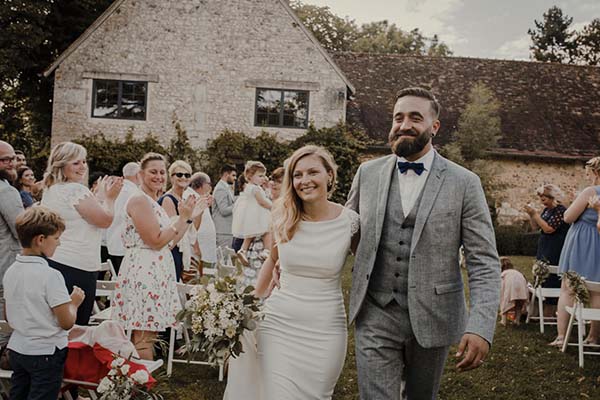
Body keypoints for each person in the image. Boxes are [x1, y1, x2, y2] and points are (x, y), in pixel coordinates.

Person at [346, 87, 501, 399]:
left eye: (415, 118)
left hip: (435, 314)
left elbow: (483, 261)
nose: (404, 125)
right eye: (398, 117)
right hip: (375, 311)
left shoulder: (465, 183)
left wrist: (480, 326)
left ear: (435, 126)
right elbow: (344, 231)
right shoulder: (367, 173)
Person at [245, 145, 358, 399]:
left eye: (312, 172)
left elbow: (368, 270)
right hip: (278, 324)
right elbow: (272, 260)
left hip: (326, 328)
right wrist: (249, 306)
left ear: (330, 175)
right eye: (297, 175)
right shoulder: (283, 217)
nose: (304, 180)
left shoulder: (350, 222)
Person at [112, 153, 197, 360]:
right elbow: (155, 240)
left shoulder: (152, 202)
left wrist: (187, 219)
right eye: (153, 172)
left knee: (147, 336)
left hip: (156, 270)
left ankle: (137, 377)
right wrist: (182, 219)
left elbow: (170, 242)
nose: (159, 176)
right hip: (144, 272)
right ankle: (142, 379)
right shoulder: (139, 200)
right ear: (141, 175)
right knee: (143, 338)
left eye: (161, 172)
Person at [4, 206, 85, 400]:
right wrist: (74, 303)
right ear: (40, 239)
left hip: (18, 348)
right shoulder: (51, 275)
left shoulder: (11, 271)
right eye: (56, 238)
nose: (59, 243)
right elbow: (66, 322)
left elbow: (7, 315)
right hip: (46, 351)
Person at [41, 141, 122, 327]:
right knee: (76, 325)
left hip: (56, 260)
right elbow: (104, 220)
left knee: (56, 322)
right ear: (61, 165)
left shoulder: (52, 189)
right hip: (77, 265)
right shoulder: (75, 190)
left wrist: (98, 196)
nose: (82, 167)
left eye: (84, 161)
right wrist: (110, 198)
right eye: (76, 162)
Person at [553, 156, 600, 347]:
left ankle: (561, 336)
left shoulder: (590, 191)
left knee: (568, 288)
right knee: (597, 291)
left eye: (588, 174)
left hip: (582, 243)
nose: (587, 177)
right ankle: (593, 337)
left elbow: (568, 216)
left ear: (596, 173)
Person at [524, 184, 569, 314]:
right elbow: (536, 227)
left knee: (551, 277)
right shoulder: (546, 210)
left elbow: (549, 228)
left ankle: (551, 309)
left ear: (553, 197)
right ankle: (540, 308)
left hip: (555, 247)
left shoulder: (560, 210)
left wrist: (535, 214)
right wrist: (532, 215)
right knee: (541, 274)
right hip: (544, 246)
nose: (542, 202)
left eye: (544, 199)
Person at [0, 140, 24, 348]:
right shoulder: (5, 191)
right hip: (4, 267)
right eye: (4, 160)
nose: (11, 163)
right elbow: (21, 230)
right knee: (4, 334)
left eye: (13, 158)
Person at [231, 161, 272, 265]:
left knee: (249, 235)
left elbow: (266, 196)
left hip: (251, 216)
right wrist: (273, 207)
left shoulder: (249, 187)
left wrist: (266, 188)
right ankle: (267, 250)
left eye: (264, 176)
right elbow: (262, 201)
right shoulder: (255, 188)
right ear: (250, 176)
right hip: (258, 215)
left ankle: (243, 250)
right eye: (260, 176)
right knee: (267, 231)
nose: (263, 178)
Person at [158, 160, 193, 282]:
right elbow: (172, 236)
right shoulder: (168, 199)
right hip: (171, 251)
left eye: (187, 175)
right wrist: (190, 217)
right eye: (179, 174)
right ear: (171, 177)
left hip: (180, 249)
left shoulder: (183, 199)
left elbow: (190, 228)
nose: (183, 178)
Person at [106, 162, 140, 275]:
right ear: (138, 175)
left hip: (112, 243)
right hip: (126, 246)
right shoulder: (134, 193)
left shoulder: (114, 190)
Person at [188, 173, 216, 267]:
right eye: (209, 184)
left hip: (206, 248)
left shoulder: (201, 197)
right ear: (202, 184)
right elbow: (191, 225)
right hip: (200, 248)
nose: (210, 186)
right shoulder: (192, 198)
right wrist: (196, 247)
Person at [212, 165, 237, 249]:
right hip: (223, 231)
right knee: (224, 255)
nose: (235, 178)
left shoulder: (226, 187)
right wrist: (238, 205)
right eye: (233, 175)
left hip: (227, 231)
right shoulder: (221, 189)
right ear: (226, 174)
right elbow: (224, 210)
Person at [499, 256, 529, 325]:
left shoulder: (503, 274)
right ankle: (517, 320)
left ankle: (503, 320)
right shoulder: (517, 272)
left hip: (511, 285)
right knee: (519, 303)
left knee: (505, 300)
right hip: (521, 284)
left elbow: (502, 287)